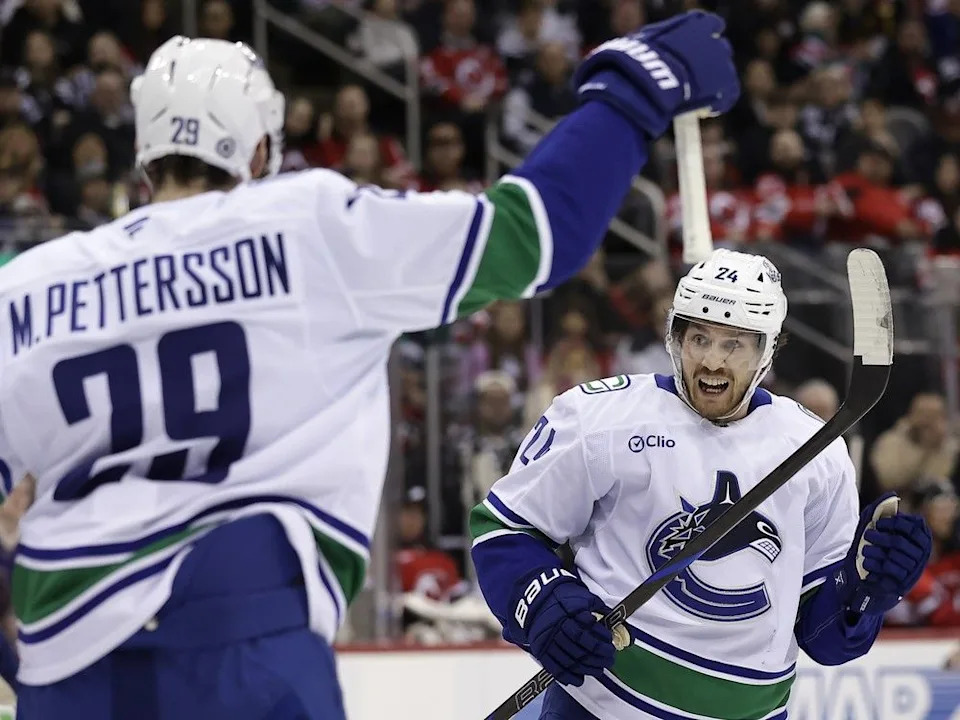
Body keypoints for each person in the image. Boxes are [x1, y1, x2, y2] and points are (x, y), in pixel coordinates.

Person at [0, 13, 741, 720]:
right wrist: (640, 84)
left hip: (66, 654)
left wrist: (30, 660)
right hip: (246, 634)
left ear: (142, 157)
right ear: (259, 153)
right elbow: (539, 231)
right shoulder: (306, 226)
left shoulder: (25, 288)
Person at [470, 248, 933, 719]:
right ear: (675, 337)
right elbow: (504, 530)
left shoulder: (817, 451)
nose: (712, 361)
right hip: (602, 706)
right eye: (700, 338)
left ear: (767, 350)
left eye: (735, 343)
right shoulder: (600, 418)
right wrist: (545, 602)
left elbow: (825, 639)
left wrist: (866, 591)